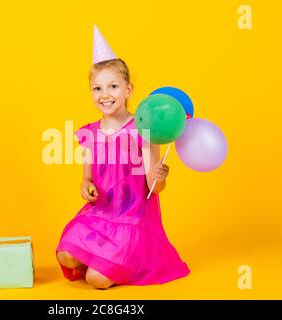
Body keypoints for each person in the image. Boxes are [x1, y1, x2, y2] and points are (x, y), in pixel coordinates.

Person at [55, 25, 190, 289]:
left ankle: (117, 262)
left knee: (96, 280)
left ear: (128, 89)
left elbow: (154, 187)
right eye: (97, 88)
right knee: (66, 255)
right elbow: (87, 176)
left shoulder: (144, 130)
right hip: (100, 216)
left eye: (113, 86)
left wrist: (160, 177)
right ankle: (103, 258)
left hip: (132, 220)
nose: (105, 95)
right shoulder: (91, 133)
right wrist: (86, 186)